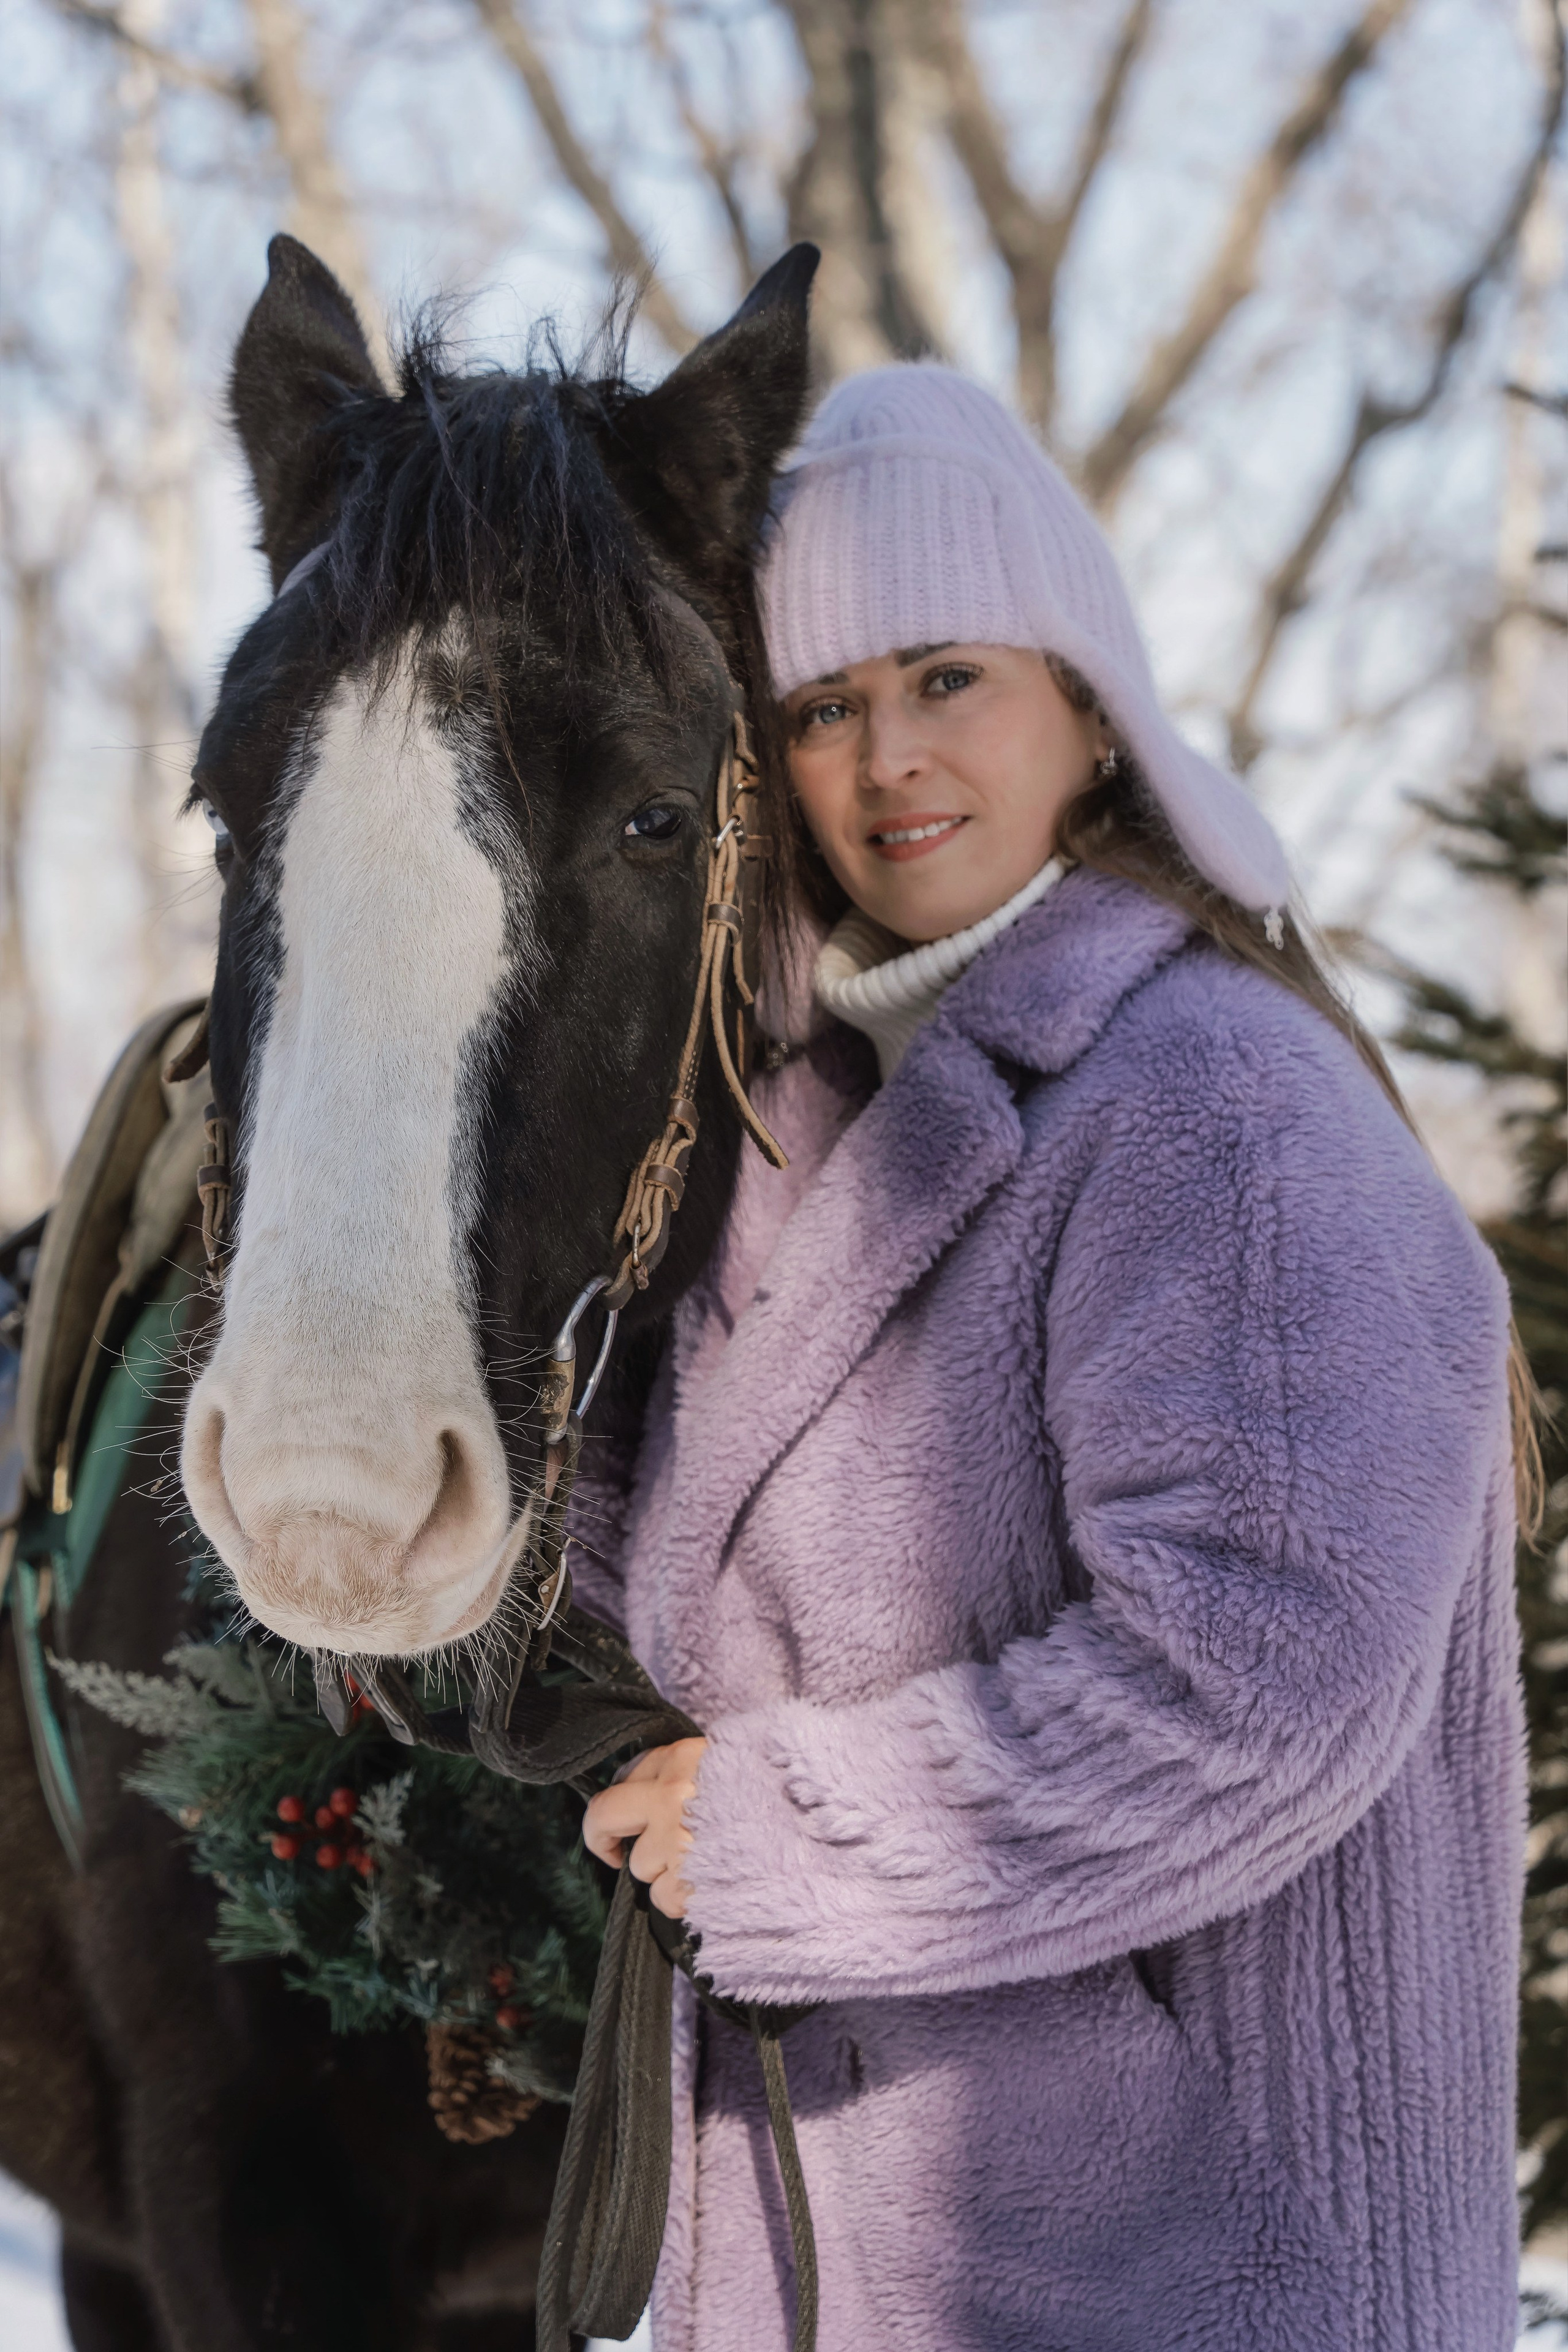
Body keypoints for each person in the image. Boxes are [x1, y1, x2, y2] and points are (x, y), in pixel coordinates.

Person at [576, 367, 1527, 2352]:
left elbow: (1253, 1678)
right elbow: (701, 1587)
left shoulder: (1220, 1107)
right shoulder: (809, 1128)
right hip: (882, 2271)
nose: (887, 758)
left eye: (948, 678)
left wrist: (785, 1837)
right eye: (824, 708)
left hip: (1190, 2274)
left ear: (1088, 707)